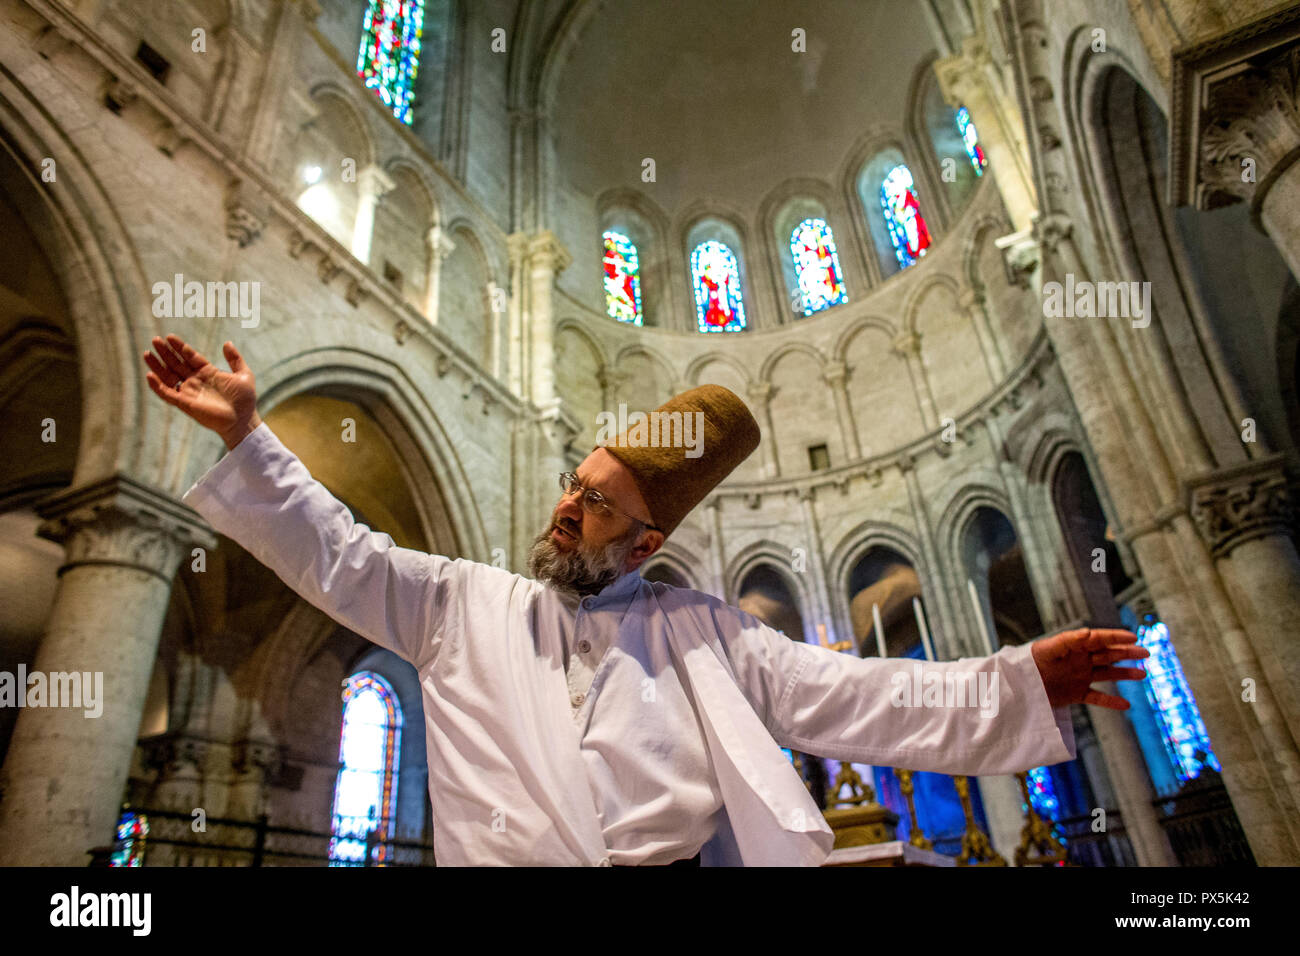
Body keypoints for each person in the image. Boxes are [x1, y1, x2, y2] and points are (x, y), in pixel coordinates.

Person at [142, 334, 1150, 866]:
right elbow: (340, 556)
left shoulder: (706, 635)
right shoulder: (463, 603)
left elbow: (860, 695)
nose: (566, 508)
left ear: (646, 539)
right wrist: (248, 439)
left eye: (594, 501)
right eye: (572, 487)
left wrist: (1016, 677)